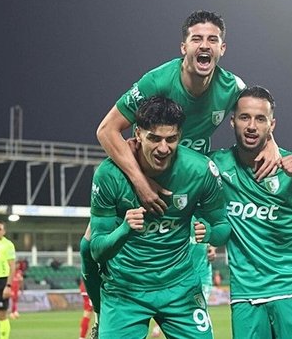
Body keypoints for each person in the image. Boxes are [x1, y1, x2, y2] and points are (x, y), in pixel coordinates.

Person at [81, 9, 279, 336]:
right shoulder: (157, 82)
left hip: (194, 177)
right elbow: (106, 130)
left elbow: (256, 116)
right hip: (146, 172)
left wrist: (272, 144)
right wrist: (141, 182)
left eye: (212, 39)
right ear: (183, 47)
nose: (205, 45)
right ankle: (104, 315)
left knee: (250, 210)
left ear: (222, 48)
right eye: (197, 38)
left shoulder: (232, 87)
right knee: (89, 245)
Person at [89, 96, 230, 338]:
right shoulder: (109, 174)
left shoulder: (200, 170)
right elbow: (96, 250)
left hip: (180, 288)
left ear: (180, 135)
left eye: (171, 139)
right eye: (154, 138)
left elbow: (223, 227)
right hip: (125, 290)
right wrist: (124, 230)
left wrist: (209, 233)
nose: (163, 148)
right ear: (138, 133)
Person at [209, 86, 292, 338]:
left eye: (260, 119)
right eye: (245, 117)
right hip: (246, 294)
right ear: (232, 121)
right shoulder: (217, 165)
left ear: (272, 125)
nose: (252, 126)